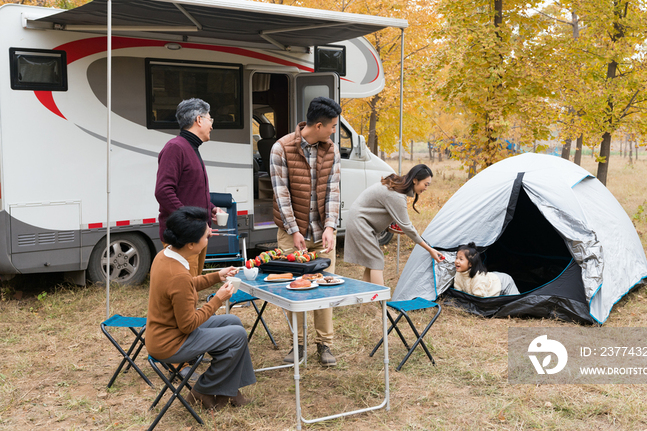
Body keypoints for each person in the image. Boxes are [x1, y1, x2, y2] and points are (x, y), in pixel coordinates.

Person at [145, 206, 256, 410]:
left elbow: (184, 286)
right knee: (238, 334)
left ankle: (230, 390)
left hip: (164, 332)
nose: (210, 236)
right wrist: (217, 300)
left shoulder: (165, 255)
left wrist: (216, 276)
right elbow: (188, 325)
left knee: (233, 321)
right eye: (206, 236)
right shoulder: (177, 273)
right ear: (190, 244)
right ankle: (201, 390)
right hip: (170, 342)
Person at [269, 96, 341, 366]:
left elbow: (334, 190)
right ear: (319, 125)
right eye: (332, 126)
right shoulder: (281, 148)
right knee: (294, 290)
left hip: (321, 231)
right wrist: (294, 230)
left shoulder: (331, 149)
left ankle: (325, 345)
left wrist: (331, 226)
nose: (334, 130)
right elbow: (281, 193)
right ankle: (297, 344)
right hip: (291, 234)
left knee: (324, 288)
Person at [155, 98, 225, 277]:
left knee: (192, 290)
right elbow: (164, 191)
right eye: (210, 119)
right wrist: (191, 222)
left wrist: (211, 209)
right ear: (199, 120)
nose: (211, 125)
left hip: (196, 236)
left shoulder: (191, 147)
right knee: (185, 293)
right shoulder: (175, 148)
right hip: (183, 238)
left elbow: (191, 192)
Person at [344, 164, 443, 286]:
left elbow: (376, 210)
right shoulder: (396, 195)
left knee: (372, 263)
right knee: (376, 260)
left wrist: (390, 228)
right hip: (360, 222)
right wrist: (430, 249)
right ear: (415, 180)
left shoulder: (396, 188)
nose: (426, 188)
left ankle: (367, 303)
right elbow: (408, 227)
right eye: (426, 184)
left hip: (361, 221)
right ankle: (379, 302)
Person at [453, 242, 519, 297]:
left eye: (461, 259)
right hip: (490, 277)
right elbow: (458, 293)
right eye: (456, 258)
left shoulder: (478, 278)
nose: (457, 261)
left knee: (516, 302)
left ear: (470, 263)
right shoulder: (458, 274)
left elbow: (479, 299)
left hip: (503, 281)